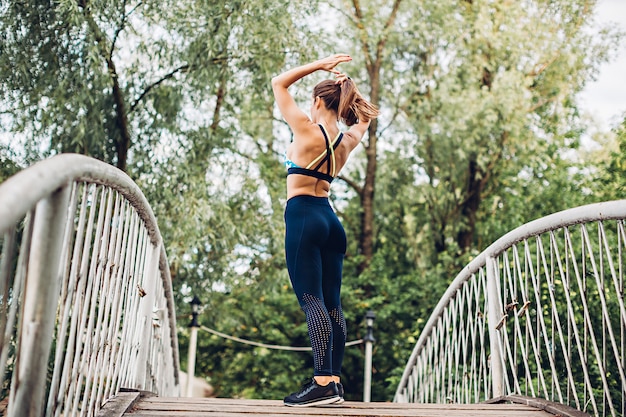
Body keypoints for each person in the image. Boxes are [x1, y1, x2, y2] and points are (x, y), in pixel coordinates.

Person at [271, 54, 380, 407]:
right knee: (333, 303)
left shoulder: (305, 127)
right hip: (332, 222)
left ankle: (321, 382)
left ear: (318, 101)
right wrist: (350, 90)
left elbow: (278, 83)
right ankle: (333, 381)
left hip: (303, 216)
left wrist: (320, 66)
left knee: (311, 299)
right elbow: (364, 118)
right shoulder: (346, 141)